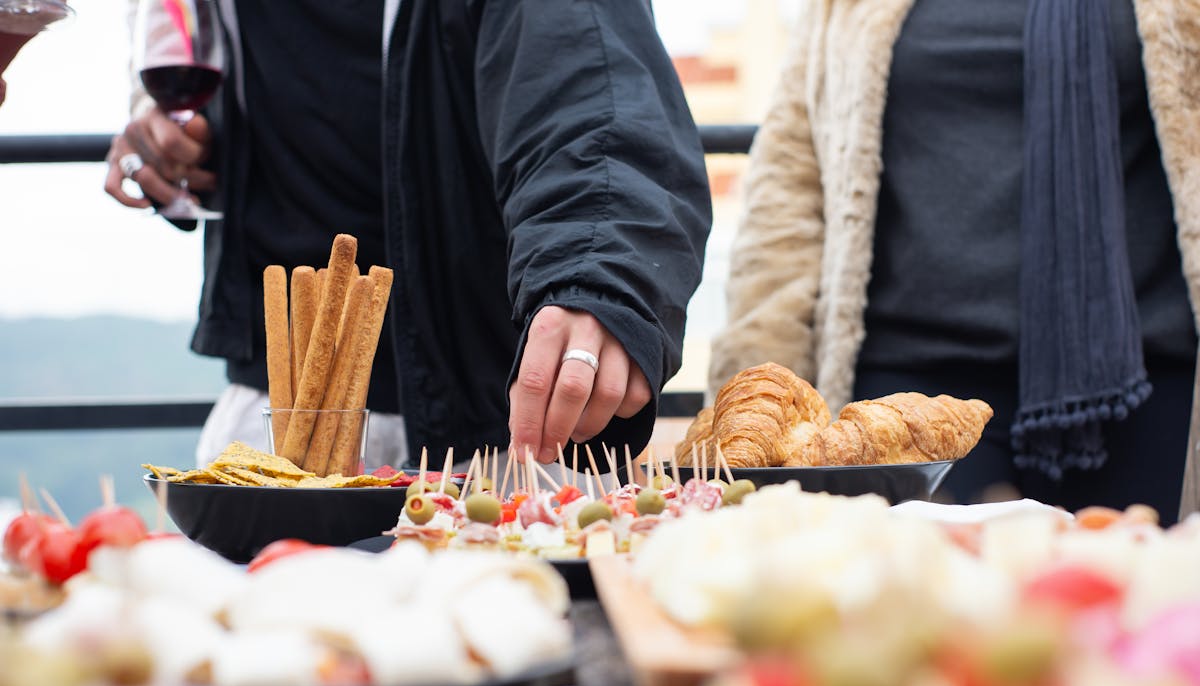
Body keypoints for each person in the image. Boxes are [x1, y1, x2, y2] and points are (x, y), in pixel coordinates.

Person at [105, 0, 711, 471]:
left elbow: (589, 84)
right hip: (267, 418)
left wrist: (595, 273)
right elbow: (184, 45)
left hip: (496, 442)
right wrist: (161, 132)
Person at [708, 0, 1199, 524]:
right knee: (912, 602)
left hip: (1139, 386)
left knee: (1138, 597)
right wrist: (756, 395)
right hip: (904, 404)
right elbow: (789, 184)